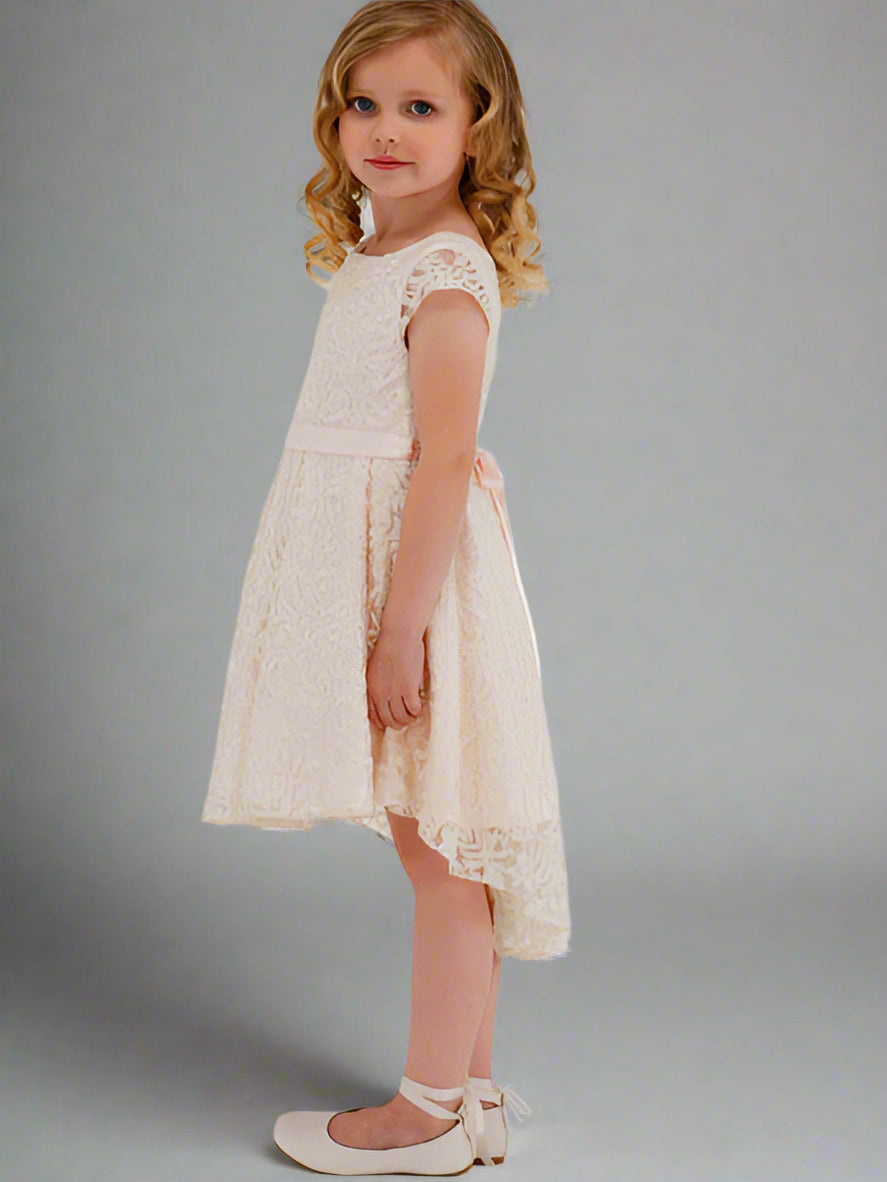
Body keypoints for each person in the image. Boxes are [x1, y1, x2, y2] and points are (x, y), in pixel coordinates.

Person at [201, 0, 571, 1173]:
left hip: (417, 589)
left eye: (420, 106)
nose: (386, 130)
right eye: (363, 104)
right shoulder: (379, 243)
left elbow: (444, 462)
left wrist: (399, 629)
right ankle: (472, 1095)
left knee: (441, 854)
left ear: (479, 126)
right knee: (445, 846)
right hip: (378, 575)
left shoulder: (445, 276)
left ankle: (426, 1113)